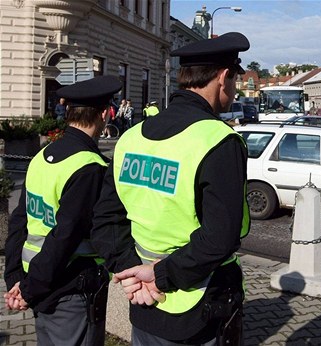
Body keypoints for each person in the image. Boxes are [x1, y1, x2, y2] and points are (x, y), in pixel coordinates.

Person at [91, 32, 251, 345]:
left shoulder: (131, 138)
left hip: (143, 301)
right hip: (200, 306)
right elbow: (221, 237)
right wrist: (159, 276)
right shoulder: (218, 140)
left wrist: (131, 272)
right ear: (223, 77)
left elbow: (106, 221)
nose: (233, 92)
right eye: (234, 81)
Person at [3, 75, 121, 346]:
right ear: (104, 114)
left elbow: (19, 220)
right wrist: (29, 289)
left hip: (36, 280)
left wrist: (15, 278)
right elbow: (65, 237)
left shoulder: (43, 155)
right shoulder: (90, 166)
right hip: (70, 288)